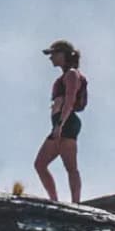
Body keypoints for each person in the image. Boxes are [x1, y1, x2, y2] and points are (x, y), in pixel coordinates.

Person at [34, 41, 88, 204]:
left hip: (66, 122)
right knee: (41, 165)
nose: (51, 58)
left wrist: (60, 124)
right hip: (62, 123)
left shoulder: (72, 74)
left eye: (54, 54)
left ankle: (75, 205)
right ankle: (56, 201)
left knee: (69, 167)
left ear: (63, 54)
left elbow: (70, 98)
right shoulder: (66, 75)